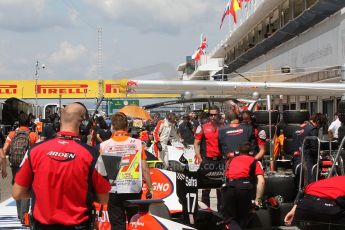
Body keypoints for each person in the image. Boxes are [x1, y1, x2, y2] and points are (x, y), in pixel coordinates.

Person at [12, 102, 110, 229]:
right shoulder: (93, 155)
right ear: (84, 124)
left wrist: (44, 193)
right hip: (79, 225)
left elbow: (17, 193)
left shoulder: (34, 151)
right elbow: (104, 198)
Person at [100, 112, 153, 230]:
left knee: (117, 225)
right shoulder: (138, 143)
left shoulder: (104, 145)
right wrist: (150, 187)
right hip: (133, 190)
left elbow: (101, 172)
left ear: (112, 127)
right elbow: (144, 168)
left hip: (114, 191)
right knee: (134, 223)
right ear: (127, 126)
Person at [2, 113, 39, 224]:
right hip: (27, 165)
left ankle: (19, 215)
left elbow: (4, 150)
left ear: (18, 122)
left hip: (14, 165)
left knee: (17, 186)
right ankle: (25, 216)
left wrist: (3, 166)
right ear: (29, 123)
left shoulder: (12, 134)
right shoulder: (33, 135)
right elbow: (38, 151)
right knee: (27, 189)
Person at [222, 141, 265, 230]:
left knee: (230, 220)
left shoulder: (230, 160)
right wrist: (258, 200)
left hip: (229, 188)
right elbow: (261, 182)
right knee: (243, 219)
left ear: (239, 151)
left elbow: (225, 178)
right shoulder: (254, 161)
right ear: (251, 152)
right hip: (244, 188)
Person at [194, 105, 223, 210]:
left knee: (221, 188)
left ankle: (221, 213)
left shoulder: (224, 126)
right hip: (207, 160)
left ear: (219, 114)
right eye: (211, 114)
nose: (213, 117)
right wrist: (200, 157)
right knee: (206, 189)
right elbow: (196, 143)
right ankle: (206, 212)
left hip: (221, 161)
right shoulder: (202, 127)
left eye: (215, 114)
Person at [291, 113, 327, 185]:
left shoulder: (300, 127)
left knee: (300, 185)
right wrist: (319, 159)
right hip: (306, 161)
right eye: (321, 125)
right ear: (318, 121)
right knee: (310, 185)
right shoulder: (313, 129)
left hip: (295, 160)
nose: (320, 127)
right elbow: (314, 148)